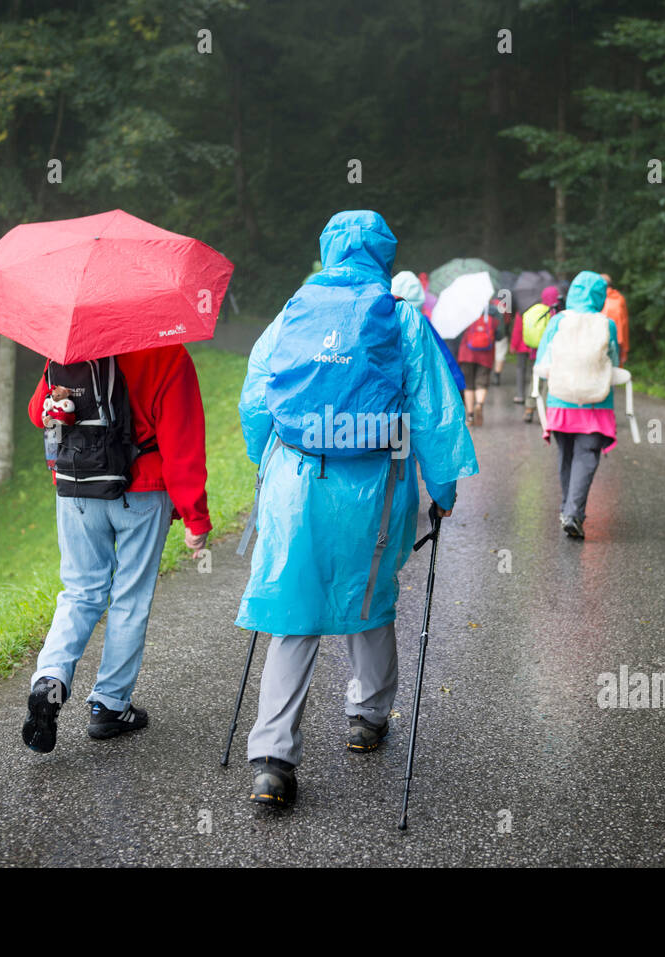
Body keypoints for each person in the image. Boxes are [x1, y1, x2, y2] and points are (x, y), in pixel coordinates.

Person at [236, 210, 477, 808]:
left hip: (294, 477)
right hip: (375, 481)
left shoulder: (293, 310)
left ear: (327, 251)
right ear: (384, 255)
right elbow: (434, 414)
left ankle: (272, 758)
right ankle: (367, 716)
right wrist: (443, 492)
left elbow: (255, 397)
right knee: (369, 595)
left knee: (294, 609)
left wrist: (263, 465)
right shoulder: (400, 318)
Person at [20, 347, 211, 753]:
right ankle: (109, 706)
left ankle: (49, 680)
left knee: (80, 593)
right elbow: (182, 442)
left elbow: (40, 413)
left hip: (76, 488)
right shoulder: (168, 355)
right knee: (130, 598)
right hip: (141, 491)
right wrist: (195, 518)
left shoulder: (71, 348)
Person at [533, 270, 619, 539]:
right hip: (596, 404)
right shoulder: (607, 324)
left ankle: (568, 509)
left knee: (566, 455)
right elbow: (614, 364)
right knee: (586, 456)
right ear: (599, 295)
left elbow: (542, 363)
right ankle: (573, 513)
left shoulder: (558, 320)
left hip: (561, 402)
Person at [392, 270, 466, 393]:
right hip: (422, 387)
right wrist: (457, 383)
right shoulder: (421, 322)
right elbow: (443, 355)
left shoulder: (385, 321)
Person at [515, 285, 562, 424]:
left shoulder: (535, 310)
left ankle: (529, 409)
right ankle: (547, 411)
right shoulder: (555, 314)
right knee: (548, 382)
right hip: (552, 355)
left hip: (536, 353)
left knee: (535, 380)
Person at [457, 307, 500, 425]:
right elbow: (500, 335)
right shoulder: (493, 314)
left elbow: (458, 334)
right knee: (482, 381)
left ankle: (470, 416)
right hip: (486, 354)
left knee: (468, 384)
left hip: (467, 353)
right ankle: (479, 404)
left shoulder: (465, 314)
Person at [600, 274, 629, 365]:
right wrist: (624, 348)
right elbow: (624, 323)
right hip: (619, 340)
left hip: (602, 342)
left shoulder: (597, 300)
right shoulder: (620, 298)